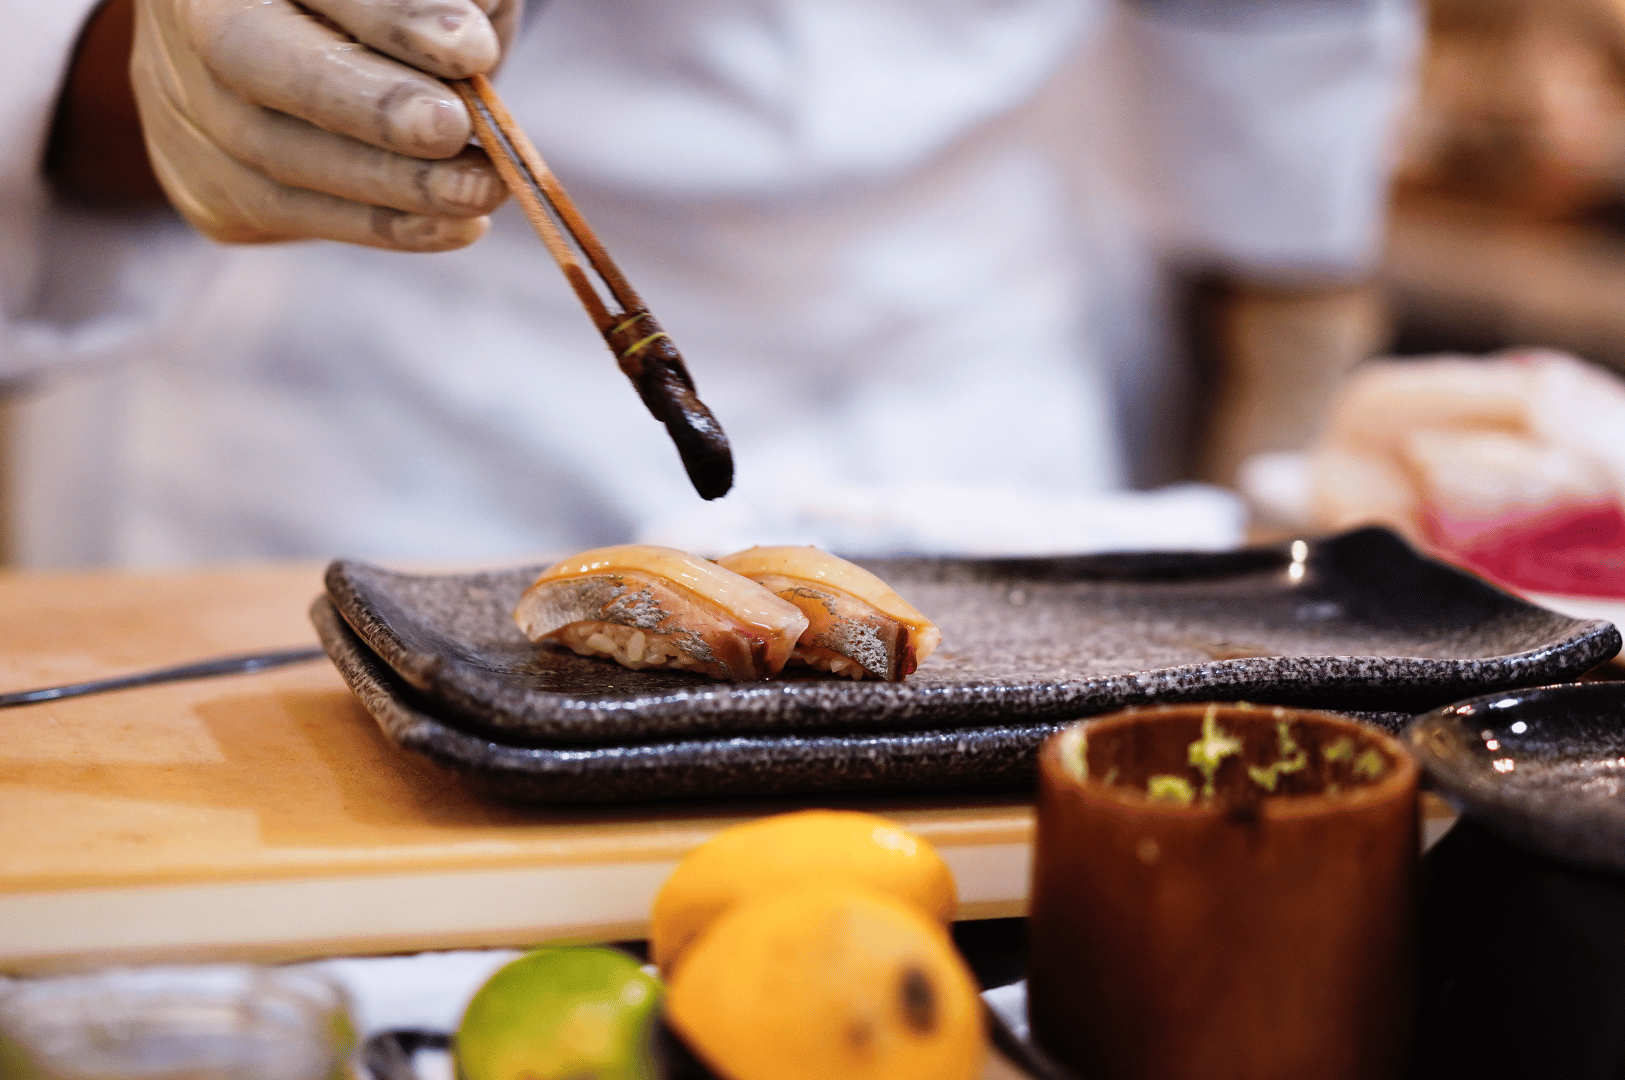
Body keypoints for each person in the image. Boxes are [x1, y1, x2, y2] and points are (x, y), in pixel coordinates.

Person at [1, 0, 1419, 567]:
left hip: (965, 396)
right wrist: (115, 57)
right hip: (347, 404)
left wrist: (1289, 456)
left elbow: (1280, 42)